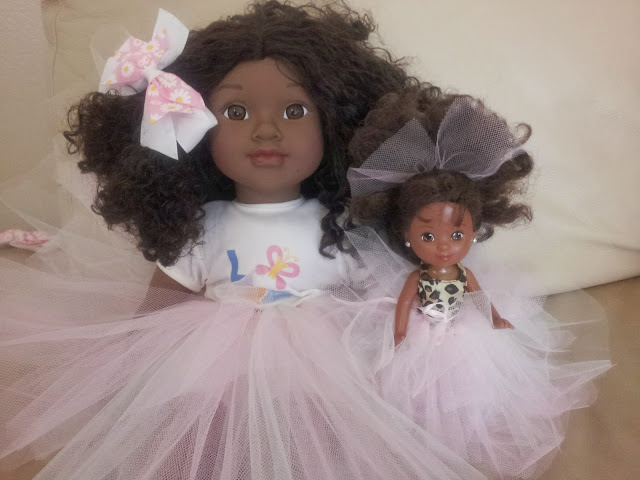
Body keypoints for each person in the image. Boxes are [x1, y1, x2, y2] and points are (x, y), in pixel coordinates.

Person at [0, 3, 485, 480]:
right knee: (199, 435)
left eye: (295, 110)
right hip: (212, 366)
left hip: (320, 367)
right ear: (191, 126)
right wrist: (127, 370)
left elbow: (374, 296)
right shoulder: (200, 227)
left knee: (322, 435)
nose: (266, 130)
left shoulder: (340, 226)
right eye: (236, 111)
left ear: (337, 124)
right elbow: (156, 311)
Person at [347, 87, 612, 479]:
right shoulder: (416, 276)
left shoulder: (464, 273)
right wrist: (400, 332)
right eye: (428, 236)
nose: (443, 246)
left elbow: (477, 296)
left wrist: (495, 317)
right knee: (417, 391)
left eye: (457, 235)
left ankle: (461, 428)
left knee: (472, 388)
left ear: (474, 232)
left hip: (460, 331)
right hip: (423, 331)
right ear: (405, 235)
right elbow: (404, 303)